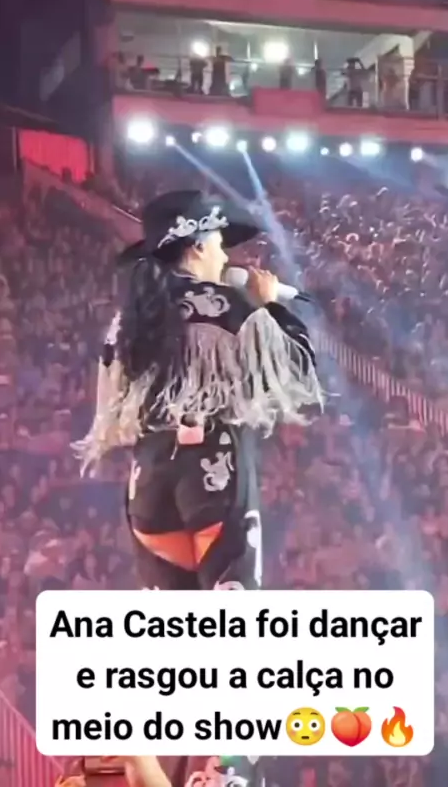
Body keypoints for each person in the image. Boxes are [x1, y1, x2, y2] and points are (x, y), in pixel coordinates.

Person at [76, 189, 323, 787]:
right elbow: (297, 370)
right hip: (214, 468)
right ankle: (223, 778)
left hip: (150, 482)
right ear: (199, 245)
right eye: (220, 245)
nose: (227, 257)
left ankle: (150, 761)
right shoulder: (228, 302)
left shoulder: (131, 316)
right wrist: (271, 306)